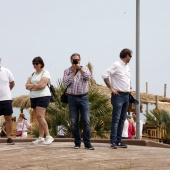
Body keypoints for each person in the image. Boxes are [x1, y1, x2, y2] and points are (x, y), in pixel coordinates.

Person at [102, 48, 132, 149]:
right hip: (118, 95)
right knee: (116, 119)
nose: (130, 58)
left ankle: (119, 141)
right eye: (130, 56)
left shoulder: (127, 67)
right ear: (126, 55)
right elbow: (105, 75)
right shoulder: (117, 65)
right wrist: (111, 88)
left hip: (126, 95)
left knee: (122, 119)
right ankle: (113, 141)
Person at [62, 53, 94, 150]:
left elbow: (88, 77)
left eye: (77, 60)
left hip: (83, 97)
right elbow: (65, 83)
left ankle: (87, 143)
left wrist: (80, 69)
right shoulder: (67, 71)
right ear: (71, 60)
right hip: (71, 98)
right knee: (74, 121)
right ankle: (77, 143)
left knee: (86, 121)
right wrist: (72, 73)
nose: (76, 61)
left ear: (80, 60)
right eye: (74, 60)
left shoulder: (85, 69)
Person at [25, 56, 54, 145]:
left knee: (40, 116)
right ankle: (41, 137)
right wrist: (36, 85)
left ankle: (48, 136)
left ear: (41, 64)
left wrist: (32, 86)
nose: (34, 65)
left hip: (43, 96)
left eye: (36, 63)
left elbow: (42, 85)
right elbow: (26, 86)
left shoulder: (45, 73)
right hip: (34, 97)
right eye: (33, 63)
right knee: (39, 117)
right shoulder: (32, 74)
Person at [0, 65, 15, 144]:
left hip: (6, 99)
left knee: (8, 119)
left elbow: (12, 83)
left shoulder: (6, 71)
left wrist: (7, 92)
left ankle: (9, 137)